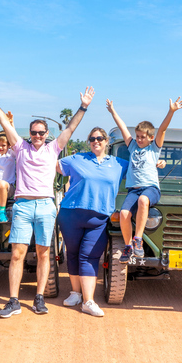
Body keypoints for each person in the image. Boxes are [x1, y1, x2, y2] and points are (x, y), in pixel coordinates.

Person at [0, 82, 94, 318]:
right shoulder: (20, 148)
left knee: (44, 254)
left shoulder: (53, 149)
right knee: (17, 254)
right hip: (22, 205)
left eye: (42, 133)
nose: (38, 136)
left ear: (47, 135)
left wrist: (83, 107)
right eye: (34, 132)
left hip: (45, 205)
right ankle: (13, 301)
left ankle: (39, 298)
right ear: (29, 134)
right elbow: (3, 122)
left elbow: (70, 129)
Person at [56, 127, 127, 317]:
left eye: (100, 138)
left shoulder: (119, 164)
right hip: (70, 213)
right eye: (92, 138)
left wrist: (158, 163)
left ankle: (88, 301)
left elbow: (140, 168)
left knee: (89, 256)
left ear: (107, 142)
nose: (96, 141)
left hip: (99, 218)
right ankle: (75, 293)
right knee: (72, 252)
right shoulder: (76, 158)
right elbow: (49, 164)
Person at [106, 97, 182, 262]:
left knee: (143, 200)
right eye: (137, 136)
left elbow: (162, 130)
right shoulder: (133, 146)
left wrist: (171, 111)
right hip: (133, 190)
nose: (139, 139)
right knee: (124, 213)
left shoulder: (154, 148)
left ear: (150, 137)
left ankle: (138, 240)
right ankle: (128, 246)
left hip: (150, 189)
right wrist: (113, 112)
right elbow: (122, 127)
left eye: (142, 137)